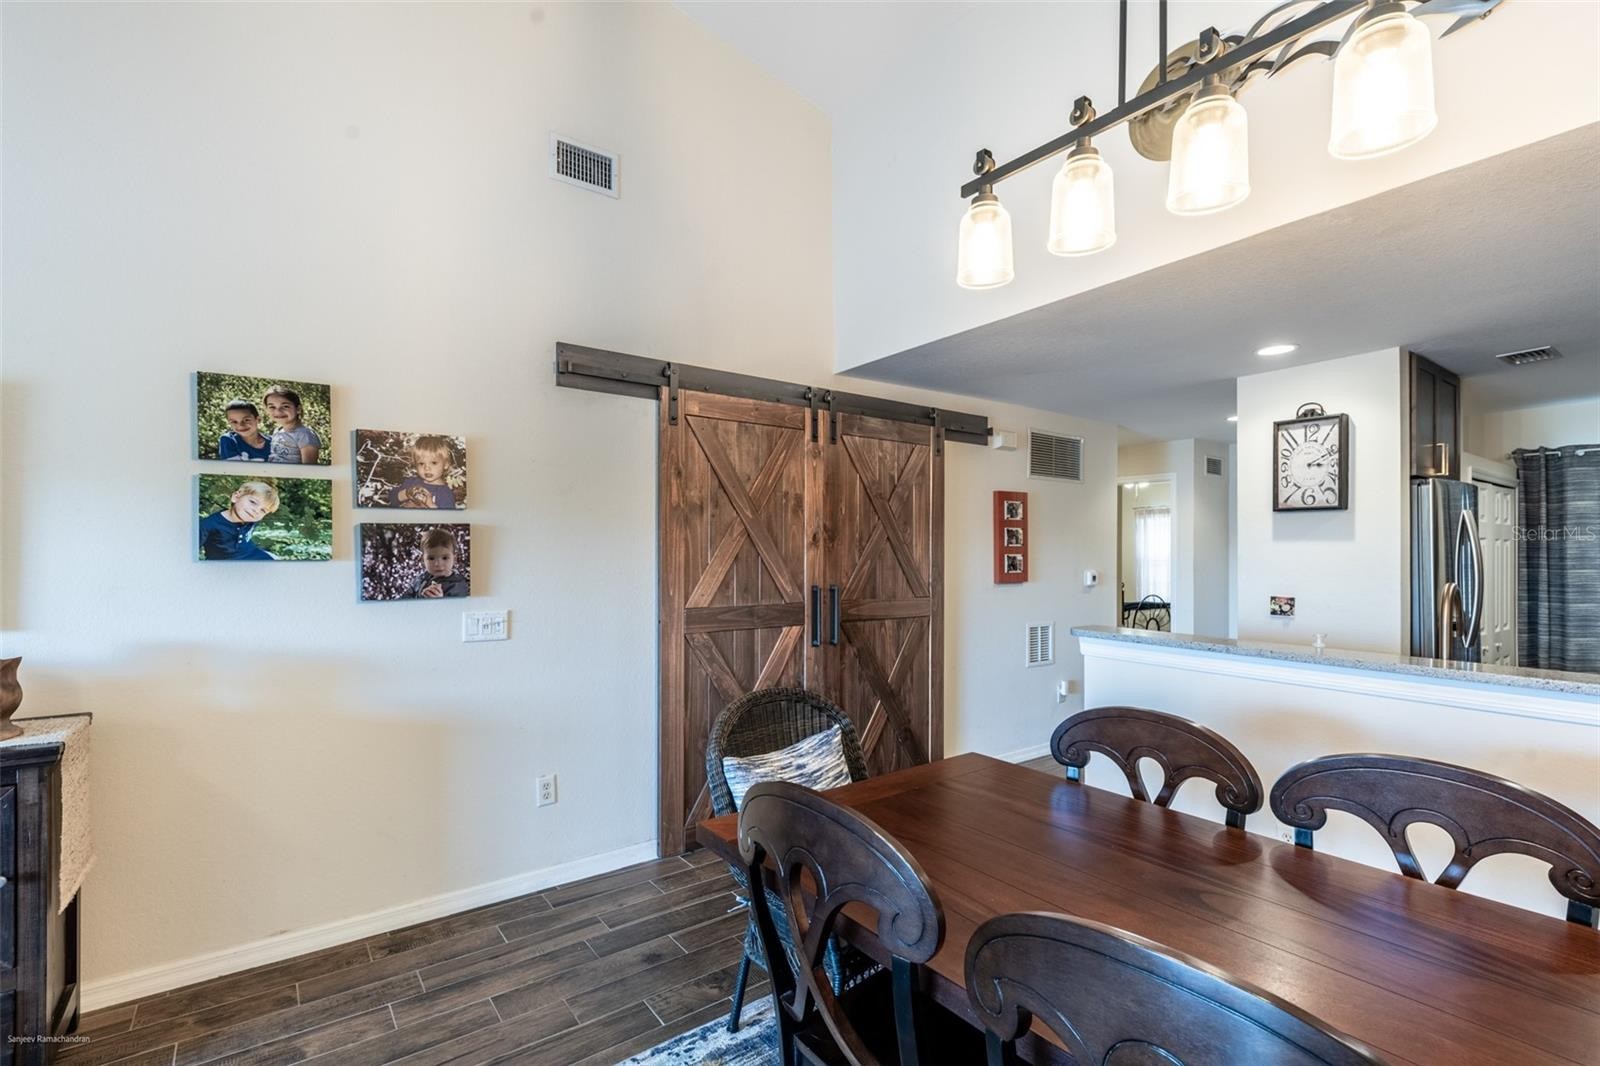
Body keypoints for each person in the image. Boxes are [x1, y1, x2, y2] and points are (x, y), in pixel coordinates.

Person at [199, 481, 279, 560]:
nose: (256, 511)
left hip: (250, 553)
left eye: (263, 510)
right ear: (236, 497)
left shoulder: (252, 519)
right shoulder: (209, 525)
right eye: (253, 502)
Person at [394, 435, 458, 509]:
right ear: (415, 465)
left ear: (446, 464)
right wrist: (407, 493)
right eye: (421, 463)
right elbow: (391, 499)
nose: (427, 468)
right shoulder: (411, 482)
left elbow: (447, 515)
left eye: (433, 463)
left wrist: (430, 505)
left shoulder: (445, 494)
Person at [264, 385, 322, 464]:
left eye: (285, 406)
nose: (278, 411)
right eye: (272, 407)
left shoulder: (305, 435)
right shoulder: (277, 431)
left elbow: (309, 468)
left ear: (298, 409)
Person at [404, 528, 469, 598]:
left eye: (445, 558)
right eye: (431, 558)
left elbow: (458, 604)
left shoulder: (458, 585)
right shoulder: (421, 579)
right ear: (423, 560)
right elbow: (405, 598)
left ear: (454, 559)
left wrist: (439, 601)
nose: (437, 564)